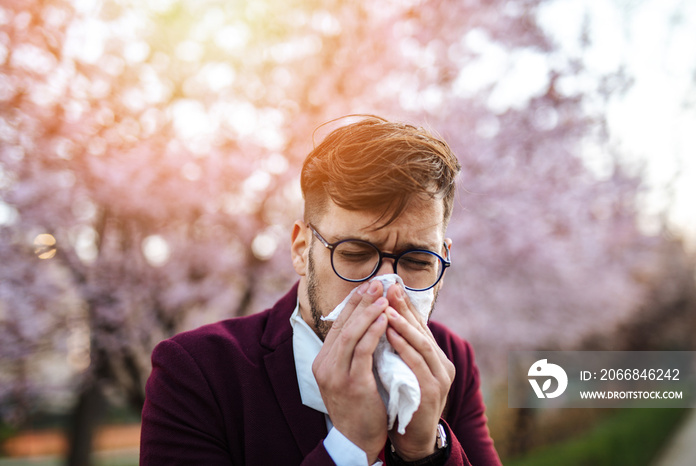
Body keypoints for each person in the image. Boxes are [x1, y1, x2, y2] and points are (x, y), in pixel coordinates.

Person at [140, 116, 502, 465]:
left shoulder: (451, 361)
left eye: (418, 261)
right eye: (356, 254)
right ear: (301, 249)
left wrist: (427, 452)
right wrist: (348, 448)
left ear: (443, 257)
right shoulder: (198, 372)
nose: (388, 289)